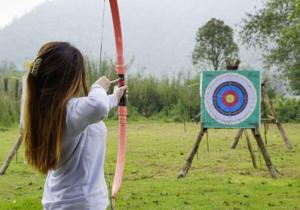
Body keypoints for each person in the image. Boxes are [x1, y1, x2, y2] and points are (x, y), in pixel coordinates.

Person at [23, 41, 127, 210]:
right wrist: (98, 87)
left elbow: (95, 107)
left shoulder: (47, 111)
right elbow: (97, 106)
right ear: (69, 77)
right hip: (81, 203)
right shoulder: (70, 111)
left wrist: (115, 97)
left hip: (56, 201)